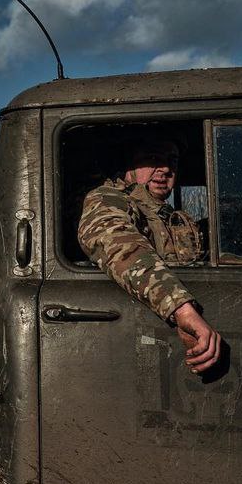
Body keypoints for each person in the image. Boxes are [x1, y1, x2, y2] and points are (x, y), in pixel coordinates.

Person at [77, 134, 222, 374]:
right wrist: (182, 310)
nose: (165, 168)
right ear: (128, 166)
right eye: (152, 158)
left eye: (172, 160)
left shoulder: (172, 217)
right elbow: (120, 246)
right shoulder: (107, 199)